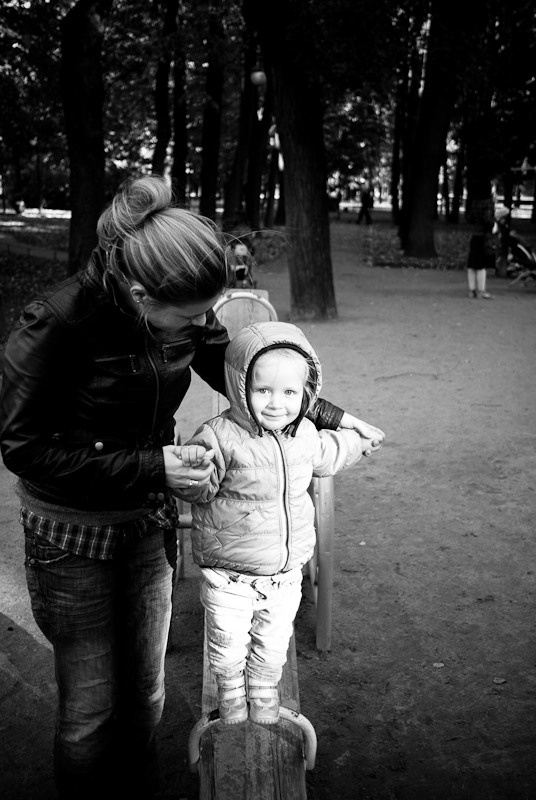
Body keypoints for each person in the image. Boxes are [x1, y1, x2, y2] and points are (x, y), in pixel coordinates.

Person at [0, 175, 384, 798]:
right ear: (138, 293)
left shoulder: (182, 312)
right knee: (89, 714)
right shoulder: (55, 323)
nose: (200, 326)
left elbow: (246, 373)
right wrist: (155, 465)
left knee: (146, 695)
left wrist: (330, 416)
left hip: (146, 523)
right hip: (71, 536)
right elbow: (24, 449)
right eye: (187, 318)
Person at [174, 321, 381, 726]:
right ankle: (231, 693)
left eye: (289, 392)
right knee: (227, 641)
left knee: (273, 640)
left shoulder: (305, 434)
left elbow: (331, 452)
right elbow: (197, 491)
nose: (276, 403)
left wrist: (358, 441)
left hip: (285, 573)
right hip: (228, 573)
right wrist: (195, 469)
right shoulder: (219, 435)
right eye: (263, 390)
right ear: (239, 387)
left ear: (306, 394)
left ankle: (266, 689)